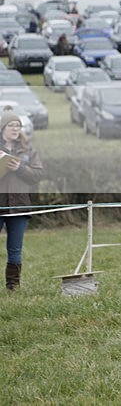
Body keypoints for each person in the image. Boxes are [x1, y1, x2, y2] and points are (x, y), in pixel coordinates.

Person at [0, 106, 44, 291]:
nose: (16, 128)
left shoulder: (29, 151)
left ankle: (13, 286)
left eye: (18, 125)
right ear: (3, 128)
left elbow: (37, 174)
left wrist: (19, 168)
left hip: (19, 206)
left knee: (15, 249)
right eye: (11, 125)